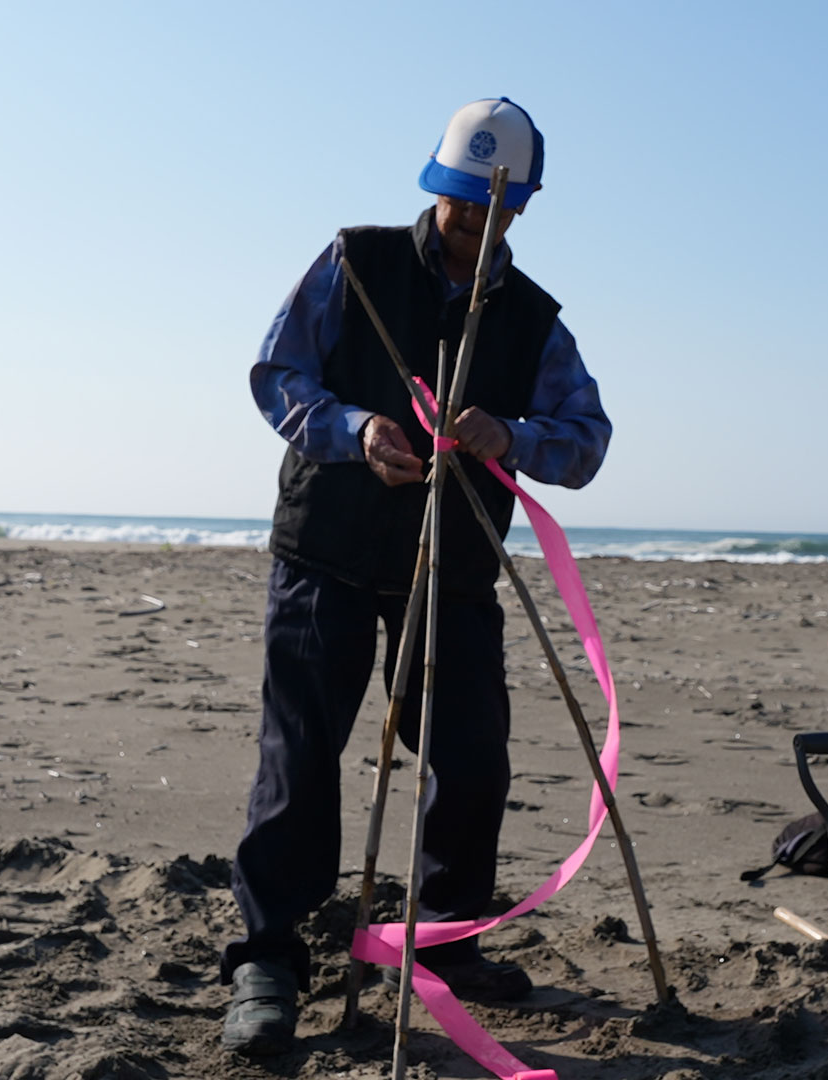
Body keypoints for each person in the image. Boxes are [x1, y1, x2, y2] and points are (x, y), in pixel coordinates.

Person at [222, 97, 611, 1056]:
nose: (475, 228)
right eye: (460, 209)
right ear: (435, 190)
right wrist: (356, 432)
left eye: (495, 213)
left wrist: (509, 435)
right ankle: (269, 956)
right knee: (300, 755)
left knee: (473, 754)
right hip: (328, 552)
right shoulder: (354, 261)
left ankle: (443, 938)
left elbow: (587, 442)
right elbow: (278, 374)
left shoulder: (533, 321)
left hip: (459, 567)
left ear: (522, 209)